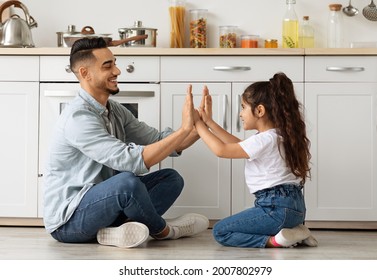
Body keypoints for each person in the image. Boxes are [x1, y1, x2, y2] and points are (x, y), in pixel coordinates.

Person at [43, 37, 209, 248]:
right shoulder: (78, 118)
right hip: (69, 221)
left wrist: (200, 127)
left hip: (104, 204)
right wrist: (185, 129)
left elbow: (159, 141)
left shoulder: (115, 110)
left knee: (170, 178)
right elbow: (130, 161)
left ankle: (120, 231)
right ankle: (165, 231)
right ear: (85, 73)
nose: (117, 71)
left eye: (115, 63)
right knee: (127, 182)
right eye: (108, 66)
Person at [193, 72, 317, 248]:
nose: (240, 113)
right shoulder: (278, 136)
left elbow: (221, 150)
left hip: (275, 209)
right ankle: (296, 231)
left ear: (259, 110)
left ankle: (274, 241)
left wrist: (197, 123)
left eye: (243, 107)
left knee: (221, 231)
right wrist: (209, 123)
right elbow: (239, 145)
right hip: (296, 209)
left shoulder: (264, 139)